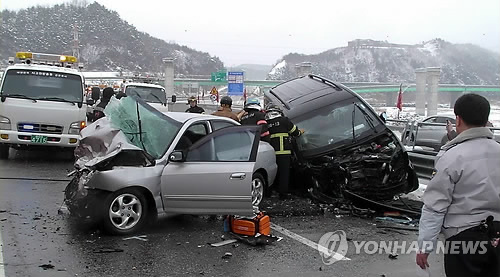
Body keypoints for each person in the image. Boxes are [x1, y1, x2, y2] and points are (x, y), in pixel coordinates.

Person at [416, 93, 500, 277]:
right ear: (486, 119)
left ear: (458, 119)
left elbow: (435, 206)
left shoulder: (452, 156)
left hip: (463, 240)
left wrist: (424, 246)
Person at [265, 104, 303, 199]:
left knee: (272, 173)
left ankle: (269, 193)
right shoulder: (284, 120)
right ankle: (283, 194)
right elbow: (295, 132)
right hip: (283, 152)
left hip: (270, 153)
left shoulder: (267, 123)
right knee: (284, 174)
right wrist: (300, 132)